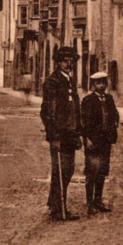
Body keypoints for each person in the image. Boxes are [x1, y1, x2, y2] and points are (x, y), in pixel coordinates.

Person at [40, 46, 82, 220]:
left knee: (69, 170)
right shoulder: (52, 82)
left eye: (71, 61)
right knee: (60, 171)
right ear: (58, 62)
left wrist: (78, 131)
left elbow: (74, 108)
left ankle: (54, 203)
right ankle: (58, 208)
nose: (68, 64)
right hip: (60, 133)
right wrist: (54, 137)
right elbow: (47, 112)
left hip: (70, 132)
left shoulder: (69, 81)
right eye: (65, 61)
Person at [81, 71, 120, 216]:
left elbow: (115, 114)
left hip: (105, 140)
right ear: (93, 85)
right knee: (92, 171)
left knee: (102, 171)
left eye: (103, 83)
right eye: (98, 83)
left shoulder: (109, 99)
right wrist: (87, 138)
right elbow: (83, 121)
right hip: (93, 140)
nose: (101, 86)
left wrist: (114, 124)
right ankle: (90, 203)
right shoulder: (88, 101)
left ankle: (98, 200)